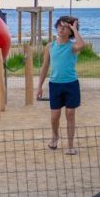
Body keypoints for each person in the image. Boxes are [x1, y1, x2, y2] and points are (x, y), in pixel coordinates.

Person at [35, 15, 86, 155]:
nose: (61, 29)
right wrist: (39, 86)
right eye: (59, 26)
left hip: (71, 84)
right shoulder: (50, 46)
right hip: (55, 85)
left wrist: (75, 29)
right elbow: (45, 67)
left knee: (70, 114)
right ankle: (55, 137)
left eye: (65, 27)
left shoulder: (73, 46)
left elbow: (82, 45)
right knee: (55, 116)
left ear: (70, 31)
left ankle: (70, 145)